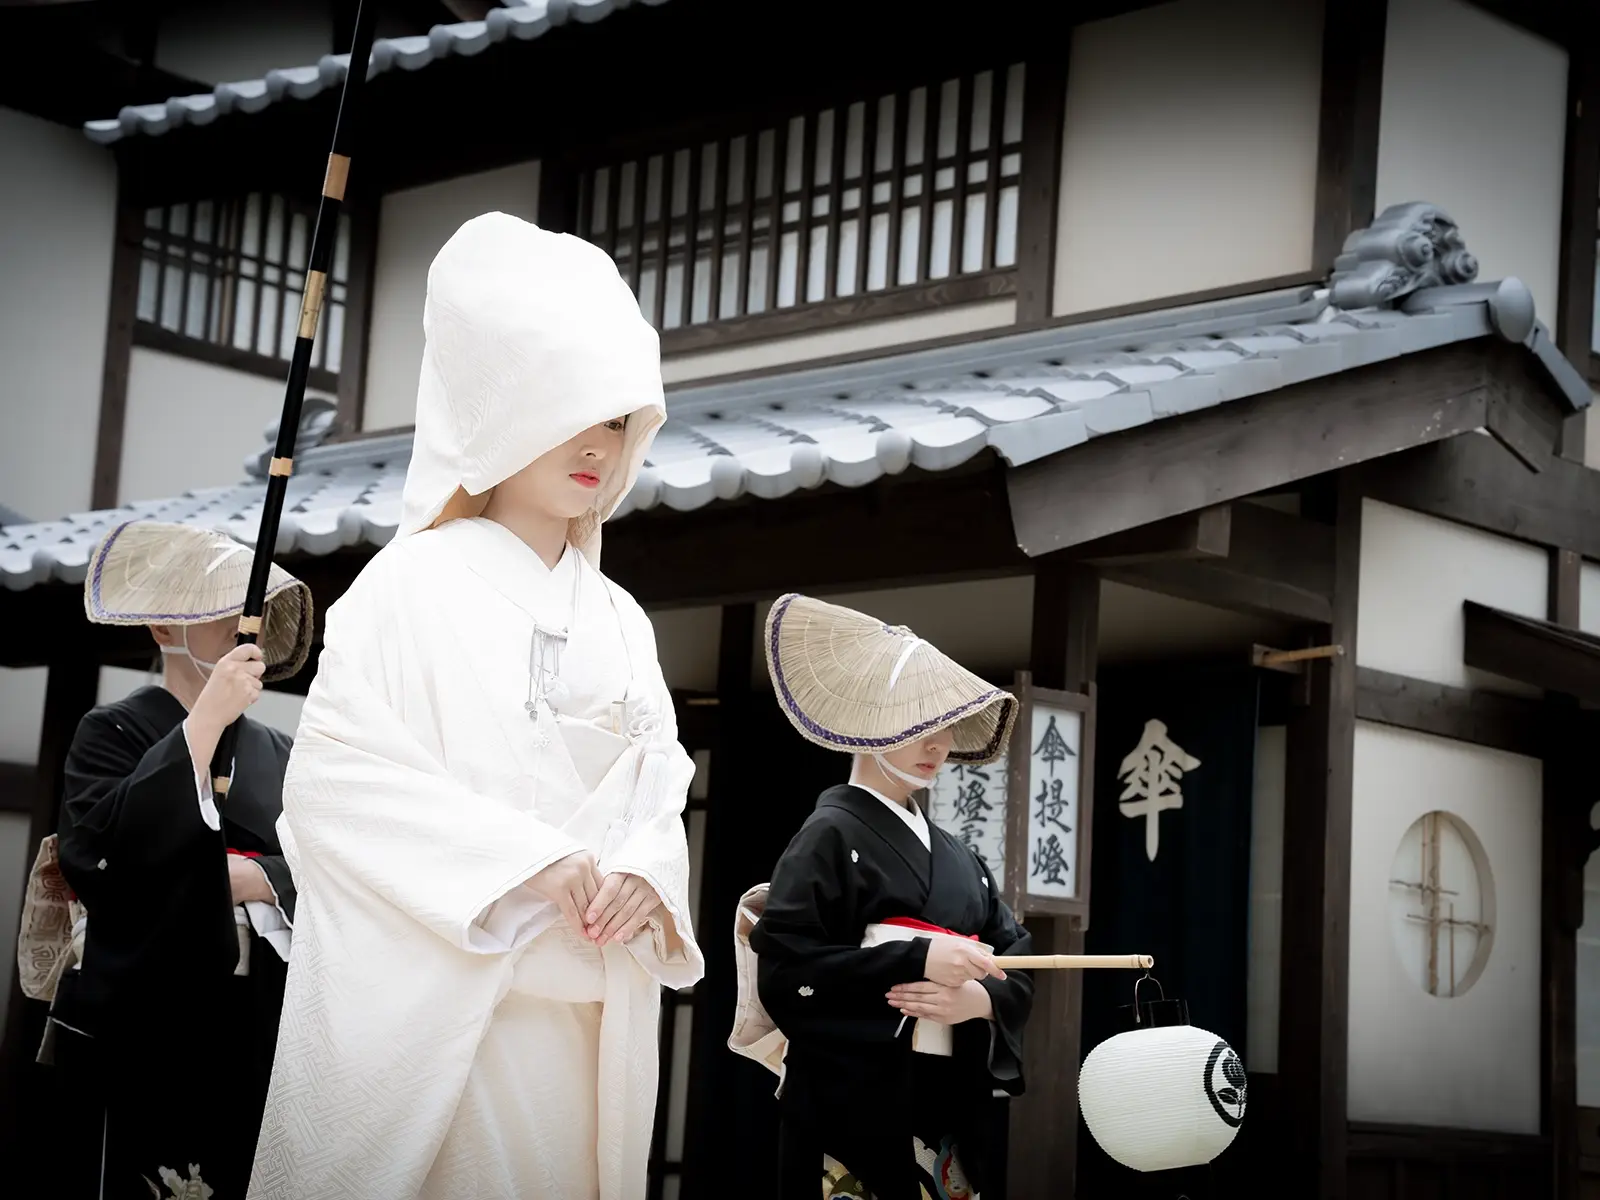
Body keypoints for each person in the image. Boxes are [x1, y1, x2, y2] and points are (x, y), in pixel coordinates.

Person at [248, 212, 704, 1200]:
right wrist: (523, 861)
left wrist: (642, 870)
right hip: (452, 1022)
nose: (600, 444)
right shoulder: (405, 588)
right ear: (503, 412)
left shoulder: (621, 618)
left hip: (584, 1019)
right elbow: (331, 793)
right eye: (573, 411)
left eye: (620, 420)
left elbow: (661, 782)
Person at [15, 519, 311, 1199]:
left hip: (251, 1018)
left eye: (258, 618)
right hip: (143, 1020)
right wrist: (202, 726)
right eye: (228, 615)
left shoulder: (281, 752)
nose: (249, 632)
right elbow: (100, 858)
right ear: (162, 629)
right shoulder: (110, 732)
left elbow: (321, 867)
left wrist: (257, 876)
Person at [731, 593, 1034, 1200]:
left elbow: (1017, 960)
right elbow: (788, 968)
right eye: (920, 725)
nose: (938, 744)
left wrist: (978, 1001)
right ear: (869, 723)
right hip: (848, 1099)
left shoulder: (960, 858)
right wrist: (915, 961)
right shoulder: (828, 835)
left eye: (945, 727)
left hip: (949, 1102)